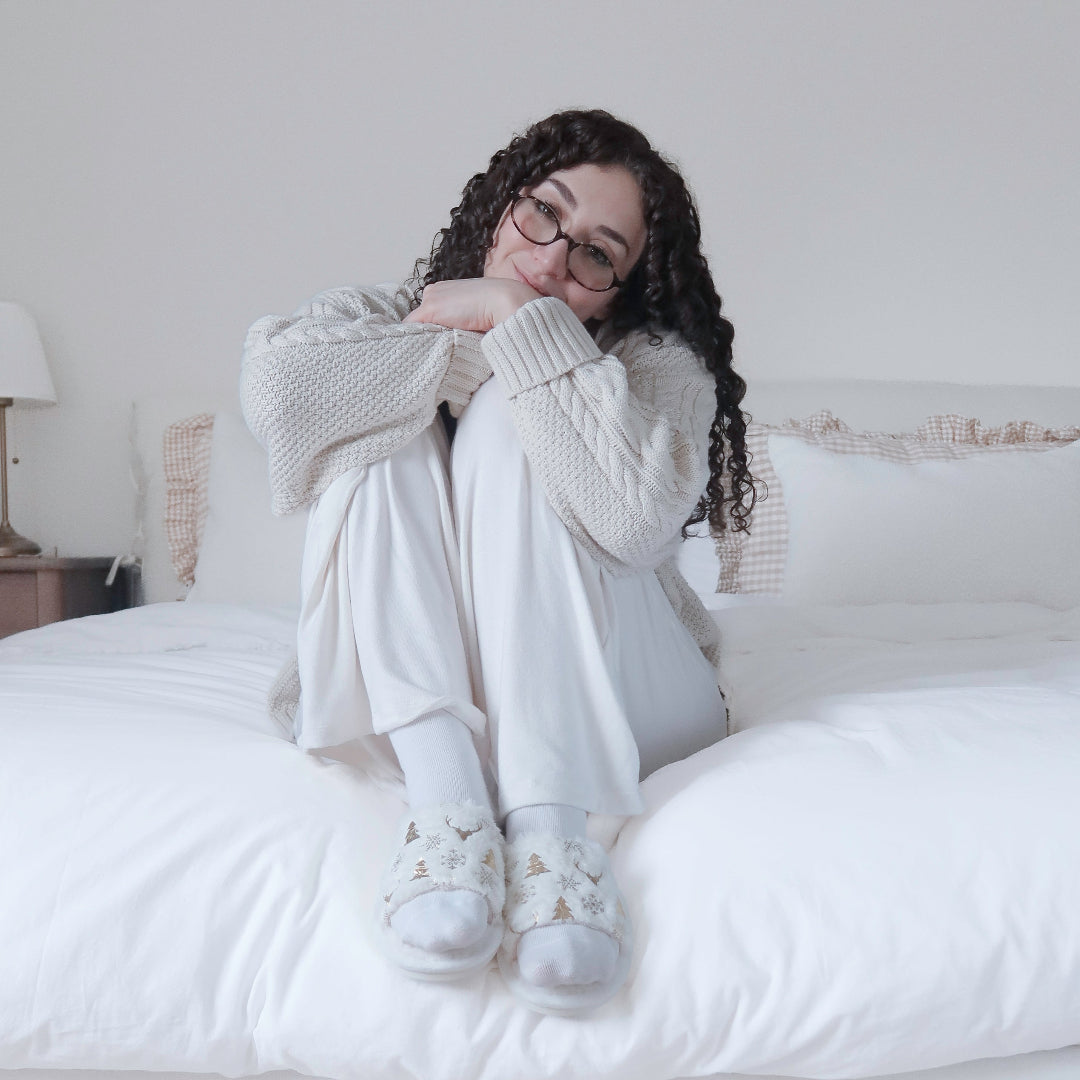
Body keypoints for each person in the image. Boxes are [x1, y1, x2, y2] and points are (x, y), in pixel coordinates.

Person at [240, 108, 755, 1016]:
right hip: (419, 703)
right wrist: (457, 349)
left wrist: (522, 326)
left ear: (625, 286)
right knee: (377, 437)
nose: (554, 259)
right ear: (497, 206)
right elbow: (283, 400)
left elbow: (636, 524)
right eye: (543, 214)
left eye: (598, 253)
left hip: (627, 693)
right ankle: (449, 803)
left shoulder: (659, 366)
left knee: (517, 425)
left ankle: (554, 833)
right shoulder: (377, 318)